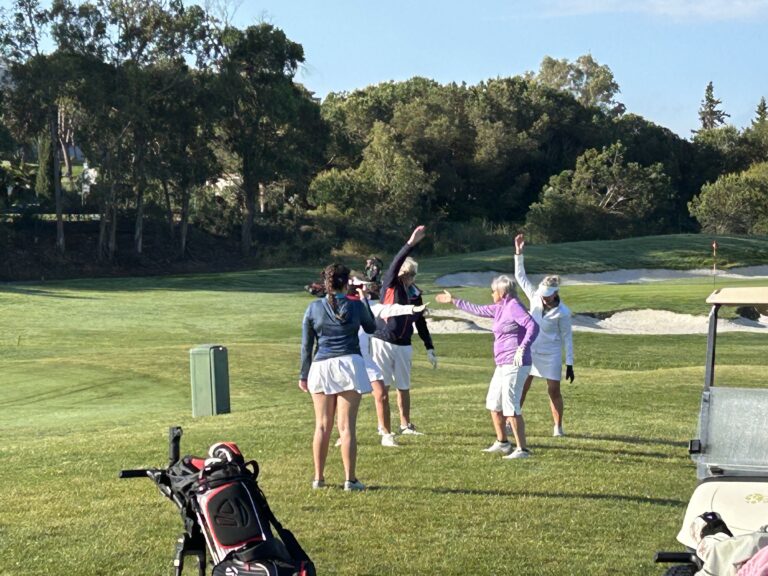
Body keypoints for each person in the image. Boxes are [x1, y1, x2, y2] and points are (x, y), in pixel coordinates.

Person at [436, 275, 539, 459]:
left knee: (511, 405)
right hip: (502, 363)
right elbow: (477, 309)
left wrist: (522, 347)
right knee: (494, 402)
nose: (491, 293)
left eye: (493, 291)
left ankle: (522, 449)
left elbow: (532, 326)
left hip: (515, 362)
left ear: (502, 292)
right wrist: (454, 300)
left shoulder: (513, 306)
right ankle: (503, 443)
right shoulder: (500, 307)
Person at [299, 263, 376, 491]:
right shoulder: (355, 306)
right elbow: (371, 327)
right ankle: (350, 479)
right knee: (346, 427)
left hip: (321, 366)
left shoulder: (313, 308)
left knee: (322, 426)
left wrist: (303, 374)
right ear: (346, 283)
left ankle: (318, 478)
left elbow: (306, 346)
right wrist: (363, 299)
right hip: (349, 364)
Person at [371, 225, 437, 436]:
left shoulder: (415, 293)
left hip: (404, 344)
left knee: (404, 386)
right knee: (382, 390)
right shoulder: (390, 284)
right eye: (408, 275)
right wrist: (410, 243)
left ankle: (405, 425)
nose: (411, 278)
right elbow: (396, 262)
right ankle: (383, 427)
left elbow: (420, 322)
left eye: (413, 275)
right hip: (384, 340)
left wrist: (429, 347)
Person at [514, 233, 575, 437]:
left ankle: (558, 427)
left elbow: (568, 338)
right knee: (522, 387)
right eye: (542, 294)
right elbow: (520, 277)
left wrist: (570, 364)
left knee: (553, 391)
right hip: (531, 349)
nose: (543, 297)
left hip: (551, 354)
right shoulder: (535, 297)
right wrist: (519, 253)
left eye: (547, 295)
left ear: (555, 294)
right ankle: (510, 422)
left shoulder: (564, 312)